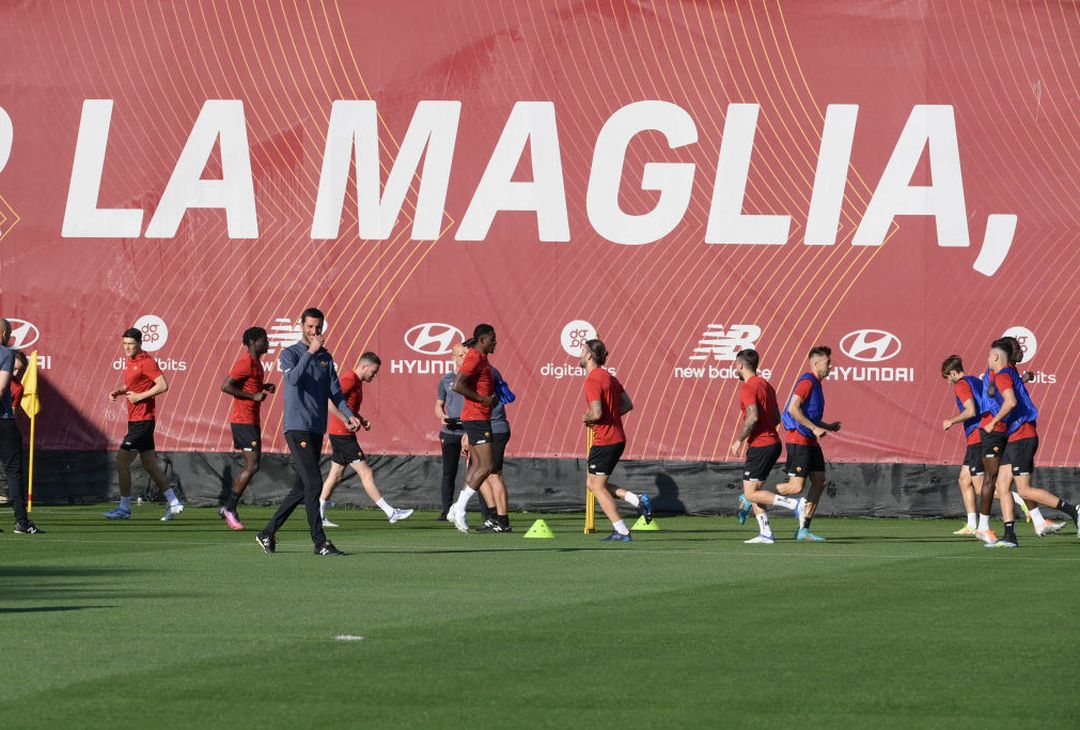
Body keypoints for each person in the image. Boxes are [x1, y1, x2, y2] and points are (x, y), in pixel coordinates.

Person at [255, 308, 359, 557]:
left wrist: (349, 416)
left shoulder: (326, 358)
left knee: (303, 487)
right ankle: (320, 542)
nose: (314, 332)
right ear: (301, 325)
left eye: (318, 328)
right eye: (310, 327)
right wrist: (311, 352)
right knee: (314, 482)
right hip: (296, 428)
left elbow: (335, 394)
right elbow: (292, 381)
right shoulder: (290, 354)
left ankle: (267, 532)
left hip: (315, 428)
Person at [977, 338, 1076, 548]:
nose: (987, 359)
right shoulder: (1011, 371)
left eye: (990, 355)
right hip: (1013, 437)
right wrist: (1025, 378)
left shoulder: (1003, 373)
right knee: (1002, 485)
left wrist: (993, 421)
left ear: (998, 356)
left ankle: (1073, 510)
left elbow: (1010, 401)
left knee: (1024, 490)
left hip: (1022, 436)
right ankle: (1010, 536)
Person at [319, 352, 413, 527]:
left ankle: (319, 515)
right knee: (366, 473)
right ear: (363, 367)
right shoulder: (349, 378)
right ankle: (390, 512)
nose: (374, 375)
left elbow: (348, 405)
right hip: (342, 434)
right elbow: (330, 402)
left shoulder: (357, 381)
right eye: (374, 371)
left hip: (341, 433)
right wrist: (346, 420)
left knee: (336, 474)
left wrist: (360, 419)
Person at [103, 327, 183, 522]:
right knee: (150, 465)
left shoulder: (146, 362)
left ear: (139, 344)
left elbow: (163, 385)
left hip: (143, 421)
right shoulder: (131, 362)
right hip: (137, 421)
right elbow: (134, 385)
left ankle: (124, 508)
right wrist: (119, 392)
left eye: (131, 344)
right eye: (124, 344)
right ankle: (174, 503)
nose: (127, 348)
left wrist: (140, 397)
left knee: (122, 461)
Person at [580, 339, 652, 542]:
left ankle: (621, 531)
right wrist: (609, 417)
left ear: (588, 356)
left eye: (582, 350)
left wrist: (586, 417)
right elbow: (627, 405)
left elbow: (595, 413)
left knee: (598, 487)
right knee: (592, 483)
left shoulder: (593, 379)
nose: (579, 354)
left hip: (605, 440)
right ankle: (636, 500)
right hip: (615, 438)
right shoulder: (609, 377)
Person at [731, 349, 798, 543]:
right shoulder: (767, 386)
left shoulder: (749, 387)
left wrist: (739, 440)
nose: (736, 368)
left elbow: (752, 417)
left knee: (750, 493)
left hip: (761, 445)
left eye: (736, 365)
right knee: (753, 492)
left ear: (741, 365)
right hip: (772, 443)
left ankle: (794, 504)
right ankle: (766, 533)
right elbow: (777, 418)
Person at [776, 345, 841, 542]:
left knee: (820, 482)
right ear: (816, 363)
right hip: (799, 440)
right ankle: (753, 495)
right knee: (796, 487)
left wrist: (826, 426)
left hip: (810, 441)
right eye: (827, 362)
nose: (830, 366)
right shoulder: (807, 381)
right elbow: (793, 410)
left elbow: (808, 414)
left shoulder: (817, 384)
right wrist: (814, 429)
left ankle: (803, 530)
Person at [445, 325, 501, 533]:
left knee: (478, 466)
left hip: (478, 417)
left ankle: (455, 508)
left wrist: (490, 397)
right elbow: (458, 385)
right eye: (493, 339)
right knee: (487, 466)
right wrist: (483, 399)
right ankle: (459, 509)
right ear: (483, 340)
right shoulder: (475, 357)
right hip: (476, 417)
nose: (495, 343)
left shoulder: (483, 358)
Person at [219, 326, 275, 530]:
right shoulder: (245, 362)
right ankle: (229, 508)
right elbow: (225, 386)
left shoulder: (257, 364)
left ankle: (229, 507)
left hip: (251, 420)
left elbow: (248, 386)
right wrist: (253, 396)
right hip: (243, 421)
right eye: (264, 340)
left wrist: (263, 387)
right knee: (252, 466)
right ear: (253, 342)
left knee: (252, 465)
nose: (267, 343)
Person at [0, 321, 42, 533]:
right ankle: (21, 522)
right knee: (14, 471)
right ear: (5, 333)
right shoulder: (6, 353)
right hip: (3, 420)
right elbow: (1, 387)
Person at [940, 355, 986, 536]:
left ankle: (1017, 498)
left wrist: (951, 421)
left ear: (952, 373)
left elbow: (971, 410)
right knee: (964, 480)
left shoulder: (961, 384)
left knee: (981, 488)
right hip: (980, 436)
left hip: (978, 436)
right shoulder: (976, 380)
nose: (947, 382)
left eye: (947, 377)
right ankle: (972, 524)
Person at [475, 358, 513, 533]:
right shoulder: (473, 371)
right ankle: (493, 517)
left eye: (463, 355)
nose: (461, 359)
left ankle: (503, 521)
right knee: (477, 472)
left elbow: (484, 403)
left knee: (493, 474)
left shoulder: (486, 371)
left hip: (494, 428)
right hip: (482, 428)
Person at [435, 343, 470, 521]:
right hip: (450, 431)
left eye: (467, 355)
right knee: (449, 472)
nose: (465, 358)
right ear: (453, 358)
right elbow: (438, 406)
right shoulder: (446, 380)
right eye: (461, 355)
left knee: (475, 473)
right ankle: (446, 510)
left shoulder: (473, 378)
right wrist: (442, 416)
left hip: (470, 431)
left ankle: (486, 512)